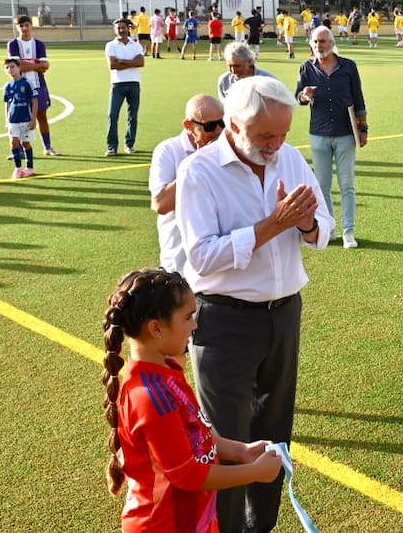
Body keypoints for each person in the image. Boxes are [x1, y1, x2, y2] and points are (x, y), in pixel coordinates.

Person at [175, 75, 333, 533]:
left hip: (283, 315)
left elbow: (322, 228)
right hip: (222, 321)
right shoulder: (199, 172)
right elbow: (202, 256)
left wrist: (304, 224)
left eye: (284, 134)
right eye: (266, 136)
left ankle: (259, 527)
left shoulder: (290, 158)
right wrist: (273, 224)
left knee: (275, 438)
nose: (277, 145)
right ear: (234, 126)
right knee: (226, 442)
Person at [101, 268, 284, 532]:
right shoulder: (151, 397)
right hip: (165, 525)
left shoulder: (166, 371)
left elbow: (196, 436)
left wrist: (241, 451)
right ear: (156, 328)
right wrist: (255, 473)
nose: (195, 325)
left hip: (193, 519)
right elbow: (189, 476)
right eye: (188, 317)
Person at [297, 26, 369, 249]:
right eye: (316, 42)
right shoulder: (306, 68)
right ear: (311, 44)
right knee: (323, 186)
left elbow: (358, 99)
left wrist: (364, 128)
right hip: (319, 133)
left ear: (332, 42)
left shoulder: (348, 66)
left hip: (346, 133)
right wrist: (304, 96)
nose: (320, 46)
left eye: (323, 41)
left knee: (347, 185)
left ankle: (349, 231)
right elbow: (298, 96)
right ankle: (330, 229)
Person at [150, 95, 225, 275]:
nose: (219, 131)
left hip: (218, 261)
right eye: (210, 126)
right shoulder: (168, 150)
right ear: (189, 126)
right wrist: (198, 160)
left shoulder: (226, 149)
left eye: (223, 123)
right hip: (180, 261)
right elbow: (161, 204)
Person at [8, 15, 58, 156]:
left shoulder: (39, 44)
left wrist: (27, 65)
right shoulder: (13, 44)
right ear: (17, 28)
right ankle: (21, 150)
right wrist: (37, 65)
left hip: (39, 85)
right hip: (21, 88)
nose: (24, 28)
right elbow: (18, 67)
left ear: (31, 25)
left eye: (26, 25)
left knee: (42, 117)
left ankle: (47, 147)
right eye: (20, 26)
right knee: (21, 118)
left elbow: (45, 67)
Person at [105, 19, 146, 156]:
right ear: (115, 30)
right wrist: (131, 62)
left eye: (123, 27)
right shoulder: (110, 45)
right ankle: (112, 146)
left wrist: (122, 61)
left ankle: (129, 144)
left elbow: (141, 63)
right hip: (117, 84)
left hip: (134, 83)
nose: (121, 30)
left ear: (128, 28)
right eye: (118, 28)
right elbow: (113, 65)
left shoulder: (136, 45)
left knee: (132, 116)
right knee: (113, 115)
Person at [4, 58, 37, 178]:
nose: (10, 69)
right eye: (7, 67)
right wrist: (7, 120)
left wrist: (33, 119)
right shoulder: (8, 86)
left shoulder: (27, 83)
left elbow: (34, 100)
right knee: (14, 143)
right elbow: (7, 104)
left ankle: (29, 168)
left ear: (19, 68)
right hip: (13, 120)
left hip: (26, 119)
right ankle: (17, 168)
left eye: (12, 66)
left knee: (26, 143)